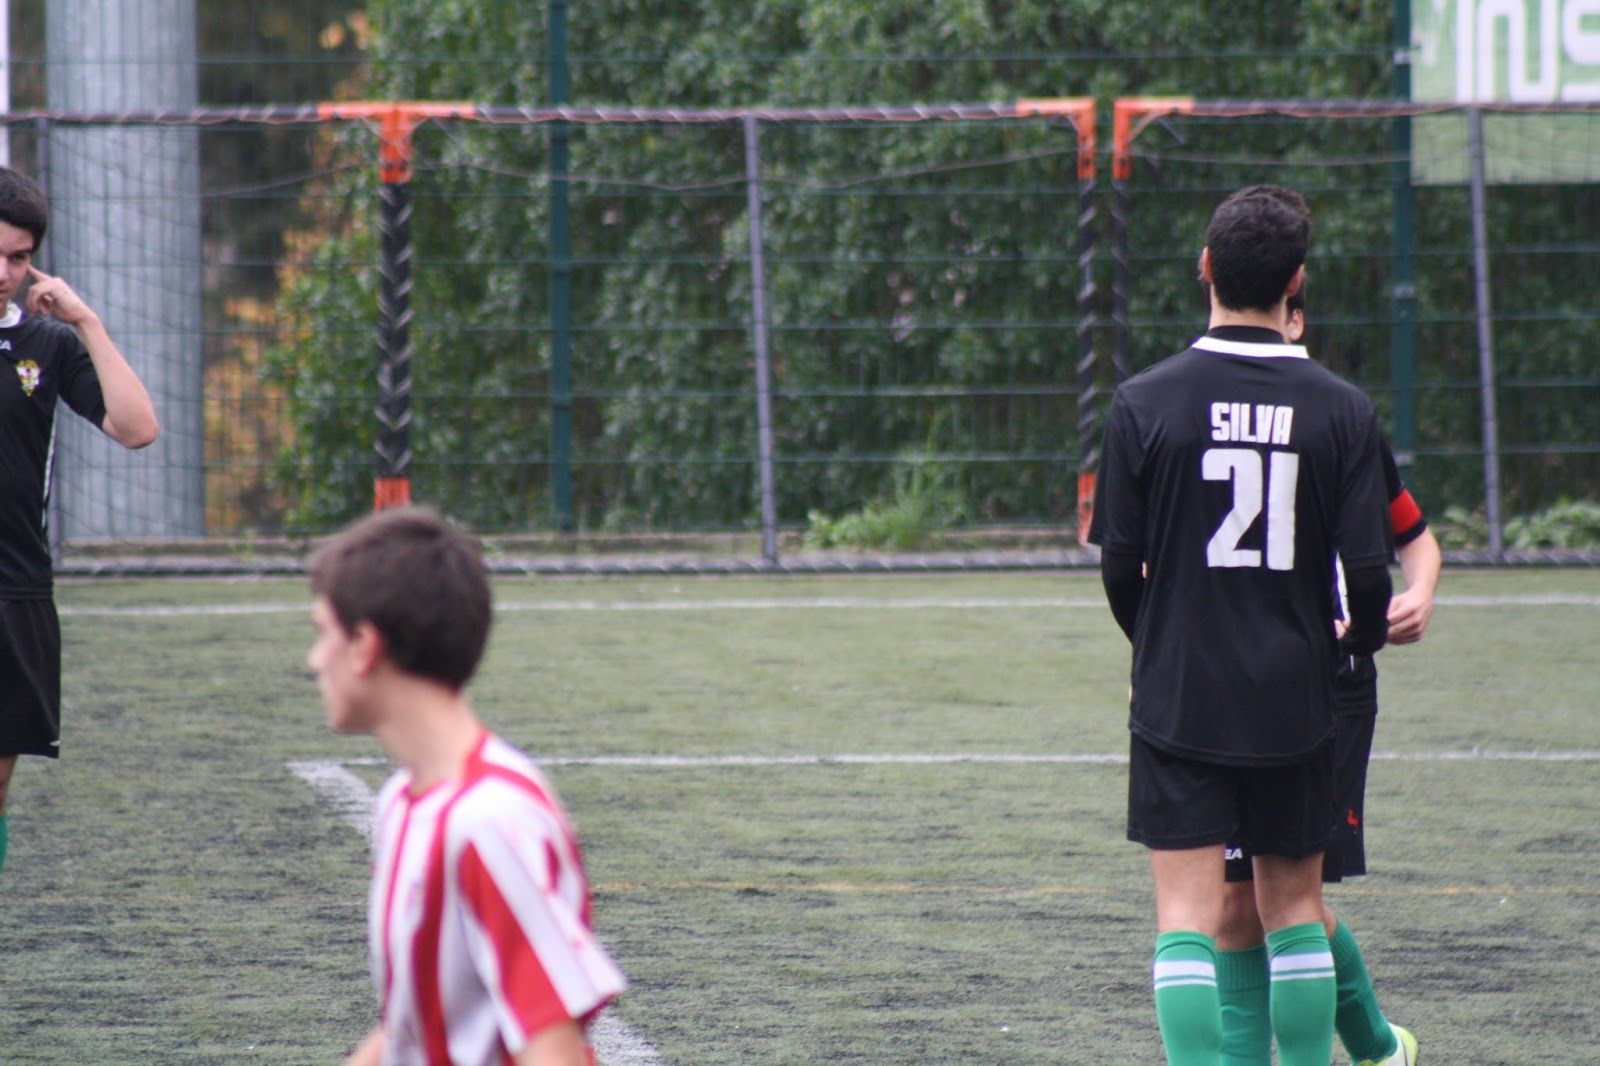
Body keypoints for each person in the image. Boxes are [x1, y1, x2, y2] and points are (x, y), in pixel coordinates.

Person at [1087, 184, 1395, 1066]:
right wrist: (1354, 643)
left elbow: (1118, 566)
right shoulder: (1342, 408)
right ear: (1297, 282)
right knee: (1292, 910)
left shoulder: (1144, 401)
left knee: (1185, 919)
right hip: (1295, 691)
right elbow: (1368, 576)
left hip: (1183, 690)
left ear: (1205, 269)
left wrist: (1155, 648)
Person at [307, 506, 627, 1066]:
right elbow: (413, 1029)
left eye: (322, 634)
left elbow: (554, 1051)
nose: (313, 660)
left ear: (365, 646)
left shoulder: (489, 823)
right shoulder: (402, 802)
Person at [1213, 287, 1439, 1066]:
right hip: (1239, 681)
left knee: (1287, 902)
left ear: (1297, 318)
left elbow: (1414, 534)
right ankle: (1380, 1047)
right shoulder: (1209, 413)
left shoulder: (1336, 419)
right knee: (1239, 904)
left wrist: (1420, 593)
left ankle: (1377, 1047)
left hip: (1328, 681)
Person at [0, 165, 160, 877]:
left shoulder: (48, 345)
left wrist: (86, 323)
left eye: (18, 257)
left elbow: (137, 428)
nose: (4, 272)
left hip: (14, 590)